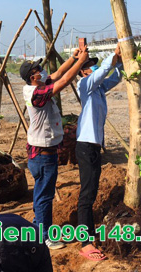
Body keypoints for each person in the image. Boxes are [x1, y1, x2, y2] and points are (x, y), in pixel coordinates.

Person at [21, 48, 90, 249]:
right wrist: (81, 63)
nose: (42, 71)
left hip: (41, 154)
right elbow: (64, 81)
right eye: (38, 69)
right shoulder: (37, 94)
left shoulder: (37, 86)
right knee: (45, 196)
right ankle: (44, 236)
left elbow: (58, 74)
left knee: (41, 195)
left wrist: (73, 58)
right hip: (43, 156)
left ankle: (39, 228)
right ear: (32, 77)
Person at [75, 43, 123, 262]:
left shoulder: (99, 89)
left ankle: (87, 233)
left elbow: (114, 77)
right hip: (85, 146)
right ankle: (84, 241)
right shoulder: (84, 84)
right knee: (86, 194)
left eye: (94, 66)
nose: (93, 69)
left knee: (92, 191)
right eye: (90, 66)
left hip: (93, 146)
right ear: (84, 71)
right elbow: (104, 71)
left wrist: (121, 62)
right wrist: (113, 56)